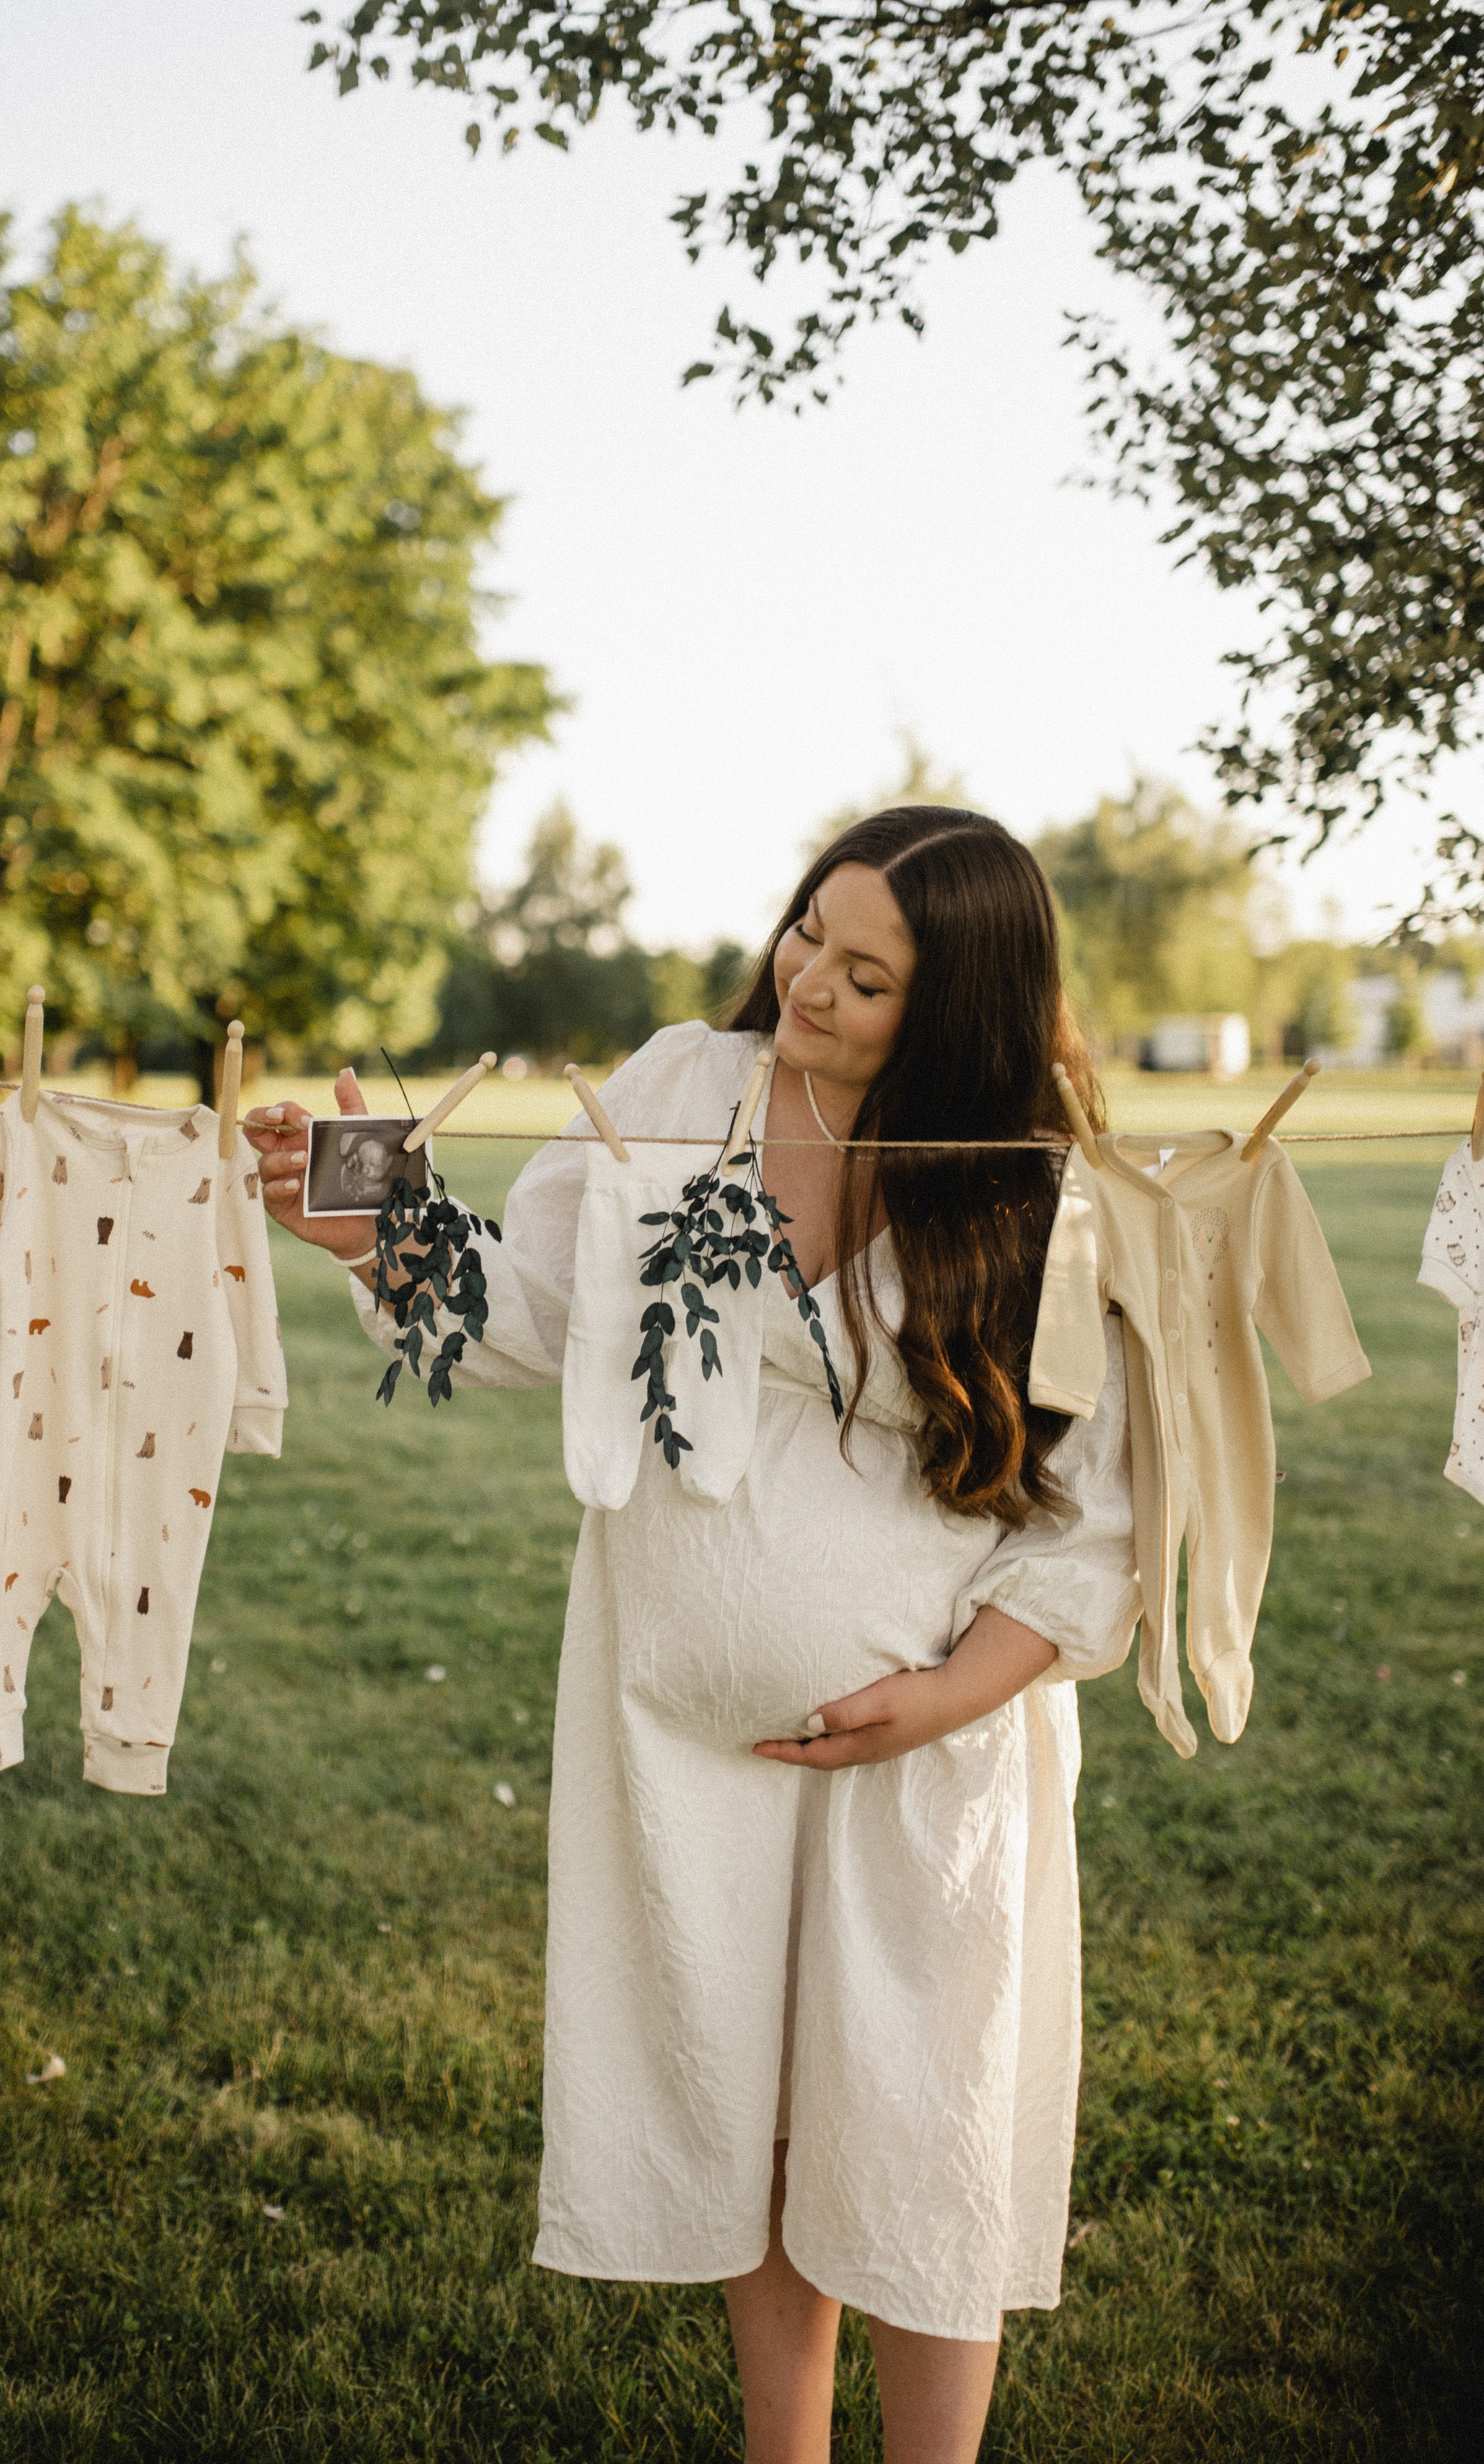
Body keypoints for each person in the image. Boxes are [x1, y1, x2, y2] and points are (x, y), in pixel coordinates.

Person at [247, 806, 1138, 2464]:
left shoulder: (1020, 1183)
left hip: (931, 1738)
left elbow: (1093, 1501)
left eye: (864, 977)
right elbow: (533, 1320)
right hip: (683, 1722)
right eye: (809, 931)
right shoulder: (672, 1092)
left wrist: (950, 1694)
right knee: (755, 2099)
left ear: (951, 1014)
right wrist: (370, 1216)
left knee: (914, 2114)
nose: (805, 980)